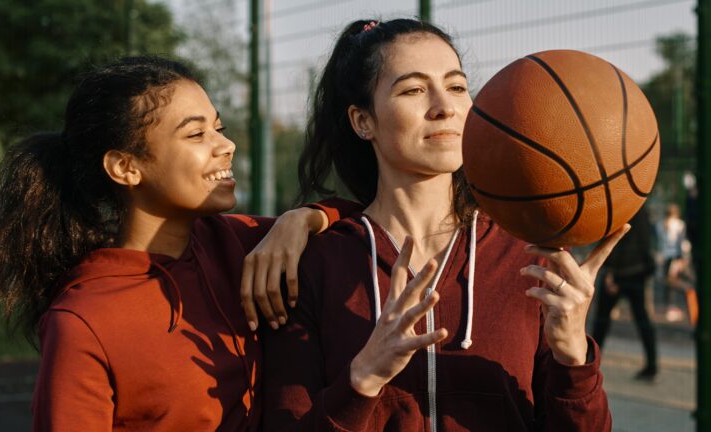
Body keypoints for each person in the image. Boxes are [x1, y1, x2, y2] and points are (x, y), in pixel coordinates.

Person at [261, 19, 625, 431]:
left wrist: (573, 359)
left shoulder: (524, 256)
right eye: (414, 89)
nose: (444, 107)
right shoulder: (316, 265)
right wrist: (363, 378)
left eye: (455, 86)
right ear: (363, 121)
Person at [0, 56, 357, 431]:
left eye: (219, 128)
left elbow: (365, 219)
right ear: (125, 167)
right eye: (197, 135)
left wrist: (302, 219)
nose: (226, 145)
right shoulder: (84, 319)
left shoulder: (243, 243)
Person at [592, 205, 658, 380]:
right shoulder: (641, 207)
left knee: (602, 321)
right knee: (642, 319)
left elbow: (618, 240)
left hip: (620, 272)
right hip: (636, 271)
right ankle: (652, 366)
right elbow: (644, 241)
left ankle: (591, 364)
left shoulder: (623, 204)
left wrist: (610, 270)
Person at [656, 203, 687, 320]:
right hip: (674, 257)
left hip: (664, 257)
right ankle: (671, 309)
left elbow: (658, 243)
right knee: (672, 284)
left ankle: (669, 308)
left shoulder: (659, 224)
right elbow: (681, 243)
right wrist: (681, 260)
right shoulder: (680, 224)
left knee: (668, 284)